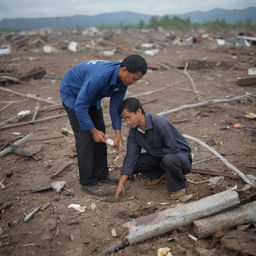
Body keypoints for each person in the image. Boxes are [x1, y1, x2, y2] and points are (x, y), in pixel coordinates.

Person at [60, 55, 147, 196]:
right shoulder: (100, 77)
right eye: (134, 79)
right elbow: (81, 105)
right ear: (124, 70)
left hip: (92, 98)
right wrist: (92, 131)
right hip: (74, 96)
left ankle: (101, 174)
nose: (134, 82)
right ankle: (88, 182)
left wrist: (117, 133)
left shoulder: (123, 81)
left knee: (101, 134)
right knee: (86, 138)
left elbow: (115, 106)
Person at [115, 97, 192, 200]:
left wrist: (157, 154)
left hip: (180, 158)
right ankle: (160, 174)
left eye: (128, 117)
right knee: (135, 162)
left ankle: (179, 188)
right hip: (161, 158)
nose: (127, 122)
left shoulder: (160, 123)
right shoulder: (134, 132)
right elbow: (130, 157)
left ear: (138, 111)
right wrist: (121, 184)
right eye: (124, 119)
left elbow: (174, 148)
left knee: (169, 160)